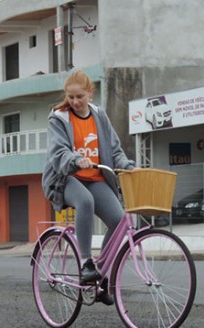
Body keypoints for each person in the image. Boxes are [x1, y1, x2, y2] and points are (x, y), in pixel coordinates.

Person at [42, 69, 135, 305]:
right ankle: (85, 264)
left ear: (90, 93)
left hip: (95, 177)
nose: (74, 102)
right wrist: (75, 159)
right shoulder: (59, 117)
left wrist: (126, 165)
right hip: (66, 178)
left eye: (79, 97)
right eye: (71, 97)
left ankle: (99, 273)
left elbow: (114, 149)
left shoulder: (99, 116)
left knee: (118, 220)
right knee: (85, 201)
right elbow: (58, 152)